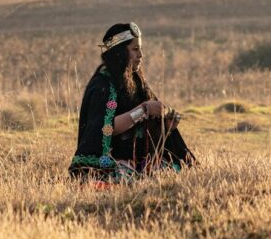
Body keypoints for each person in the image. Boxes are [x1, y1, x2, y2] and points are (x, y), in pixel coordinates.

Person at [69, 22, 195, 182]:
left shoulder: (137, 81)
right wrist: (143, 110)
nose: (141, 55)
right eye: (135, 49)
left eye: (140, 48)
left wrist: (166, 127)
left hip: (140, 162)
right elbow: (105, 129)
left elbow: (150, 131)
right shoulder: (102, 85)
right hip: (112, 163)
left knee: (173, 172)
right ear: (119, 52)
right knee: (122, 178)